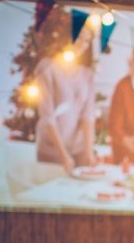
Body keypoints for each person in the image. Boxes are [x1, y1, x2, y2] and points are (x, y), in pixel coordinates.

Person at [34, 22, 96, 174]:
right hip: (53, 151)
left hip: (79, 150)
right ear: (68, 37)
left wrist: (88, 151)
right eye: (79, 38)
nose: (83, 44)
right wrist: (64, 156)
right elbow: (48, 117)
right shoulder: (47, 69)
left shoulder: (87, 74)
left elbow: (88, 115)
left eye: (87, 40)